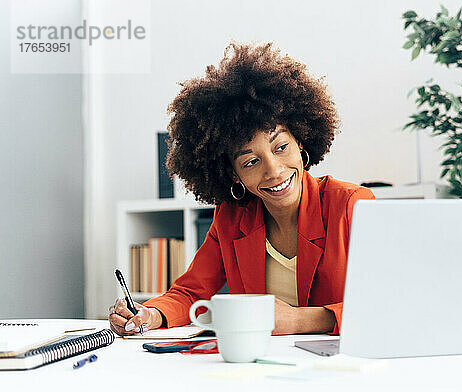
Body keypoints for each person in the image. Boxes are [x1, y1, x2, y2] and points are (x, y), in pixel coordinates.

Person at [108, 42, 374, 336]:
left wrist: (298, 320)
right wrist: (150, 314)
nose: (273, 170)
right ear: (233, 174)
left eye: (281, 147)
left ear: (301, 142)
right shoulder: (231, 218)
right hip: (258, 367)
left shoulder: (352, 205)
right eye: (250, 162)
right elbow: (190, 293)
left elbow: (388, 301)